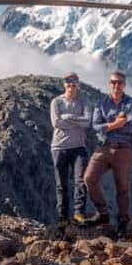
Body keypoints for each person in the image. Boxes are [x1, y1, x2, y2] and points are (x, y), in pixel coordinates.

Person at [84, 70, 132, 237]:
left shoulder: (131, 103)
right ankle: (103, 213)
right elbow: (95, 126)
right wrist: (116, 123)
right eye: (113, 82)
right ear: (109, 84)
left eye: (120, 82)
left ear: (124, 85)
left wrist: (108, 125)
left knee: (122, 187)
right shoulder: (101, 103)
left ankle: (123, 221)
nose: (116, 85)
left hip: (123, 148)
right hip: (104, 147)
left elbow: (131, 125)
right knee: (89, 178)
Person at [50, 72, 92, 226]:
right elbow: (56, 123)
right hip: (59, 147)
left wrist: (67, 117)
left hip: (78, 147)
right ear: (64, 84)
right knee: (61, 184)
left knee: (81, 181)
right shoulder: (56, 102)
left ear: (78, 84)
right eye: (68, 81)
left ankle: (79, 214)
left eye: (74, 82)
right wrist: (76, 120)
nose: (71, 85)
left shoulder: (84, 101)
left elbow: (87, 122)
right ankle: (62, 217)